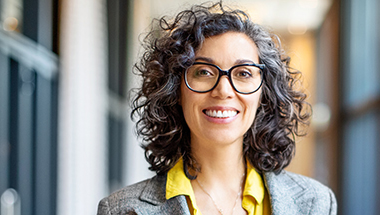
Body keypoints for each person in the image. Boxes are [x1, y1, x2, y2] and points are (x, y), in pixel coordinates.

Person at [97, 2, 336, 215]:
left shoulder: (315, 204)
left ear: (264, 95)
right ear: (175, 91)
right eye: (203, 72)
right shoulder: (121, 210)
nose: (223, 90)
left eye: (243, 73)